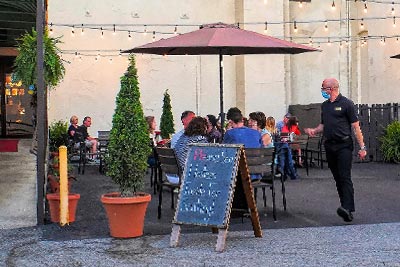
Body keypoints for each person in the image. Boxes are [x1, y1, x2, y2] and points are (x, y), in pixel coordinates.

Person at [304, 77, 367, 223]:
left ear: (331, 89)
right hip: (330, 145)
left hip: (344, 145)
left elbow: (356, 127)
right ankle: (346, 208)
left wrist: (362, 147)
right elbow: (323, 125)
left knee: (344, 176)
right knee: (337, 177)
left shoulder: (346, 104)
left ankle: (347, 207)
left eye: (323, 88)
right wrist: (314, 130)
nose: (322, 91)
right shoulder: (325, 106)